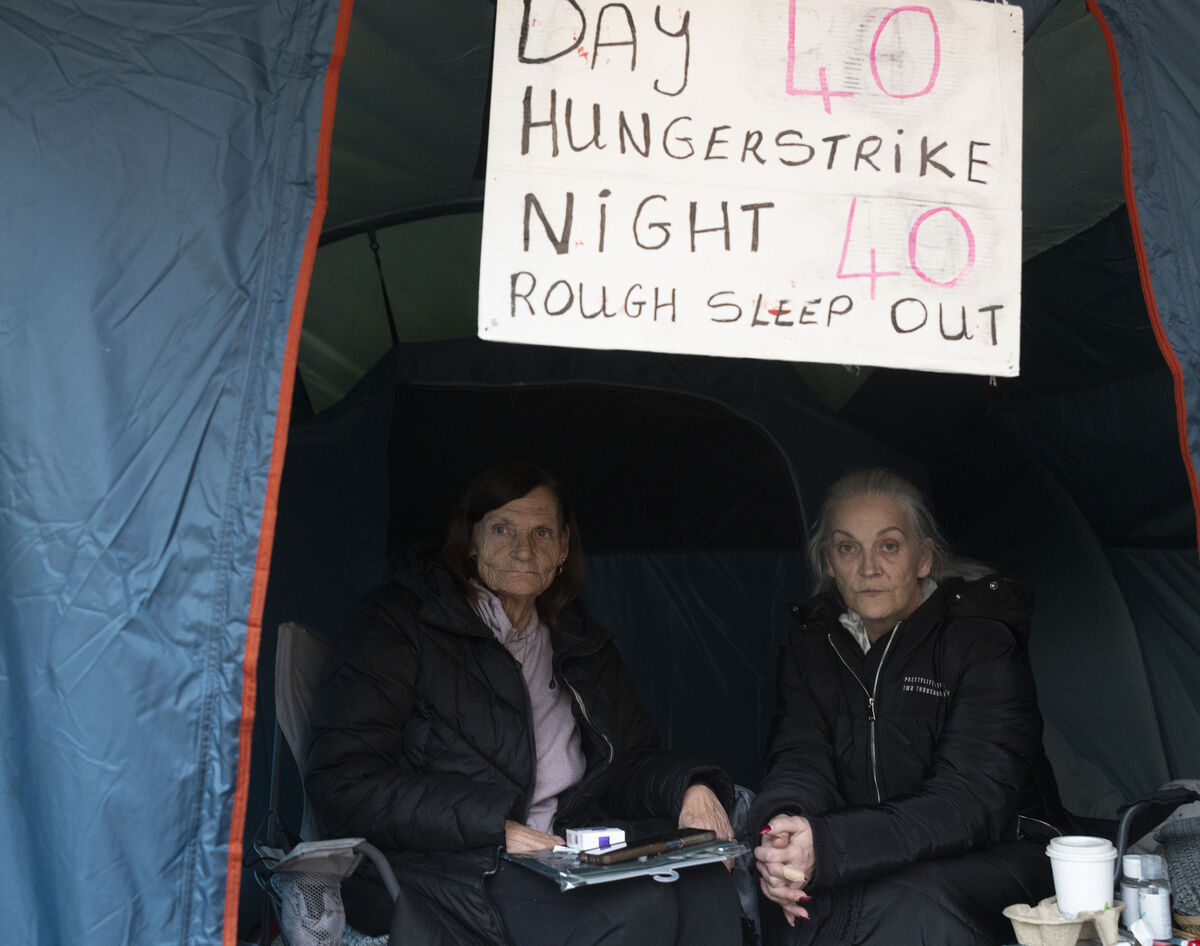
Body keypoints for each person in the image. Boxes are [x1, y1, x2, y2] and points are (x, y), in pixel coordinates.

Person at [305, 462, 744, 945]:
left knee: (706, 886)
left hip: (565, 853)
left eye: (542, 532)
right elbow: (343, 782)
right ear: (469, 541)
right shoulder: (398, 625)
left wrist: (690, 788)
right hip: (446, 867)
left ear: (562, 549)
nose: (523, 548)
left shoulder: (580, 643)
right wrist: (495, 828)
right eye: (501, 529)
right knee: (636, 909)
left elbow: (630, 761)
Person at [748, 468, 1066, 946]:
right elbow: (799, 756)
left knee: (906, 903)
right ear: (830, 563)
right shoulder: (811, 646)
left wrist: (835, 846)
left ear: (923, 559)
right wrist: (786, 833)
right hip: (869, 849)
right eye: (847, 548)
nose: (868, 568)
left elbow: (971, 797)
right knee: (788, 897)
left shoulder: (980, 638)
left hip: (1004, 847)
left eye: (889, 546)